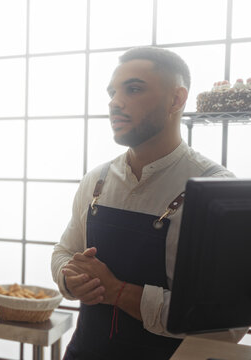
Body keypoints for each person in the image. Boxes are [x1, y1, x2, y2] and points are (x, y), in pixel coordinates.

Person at [51, 46, 245, 359]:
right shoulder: (97, 180)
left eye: (134, 89)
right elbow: (64, 251)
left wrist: (118, 292)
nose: (115, 102)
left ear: (177, 99)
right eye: (113, 92)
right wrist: (70, 280)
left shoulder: (217, 191)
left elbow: (227, 326)